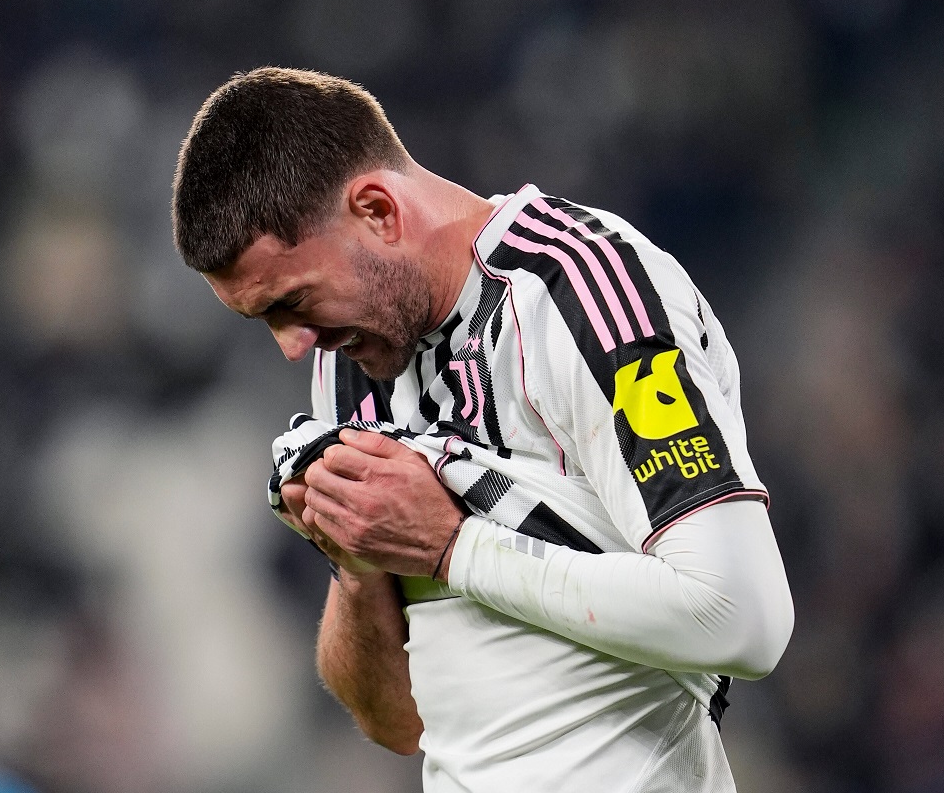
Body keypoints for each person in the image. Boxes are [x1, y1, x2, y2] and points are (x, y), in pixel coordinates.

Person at [171, 67, 794, 792]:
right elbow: (398, 723)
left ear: (377, 209)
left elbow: (742, 617)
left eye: (294, 302)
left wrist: (452, 546)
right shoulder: (353, 358)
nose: (292, 345)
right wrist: (359, 559)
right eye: (266, 321)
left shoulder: (582, 289)